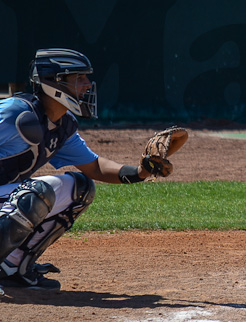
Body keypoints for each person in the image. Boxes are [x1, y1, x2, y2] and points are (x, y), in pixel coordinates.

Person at [0, 48, 170, 291]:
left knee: (80, 188)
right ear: (53, 83)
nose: (88, 85)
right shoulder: (16, 113)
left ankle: (12, 268)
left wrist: (142, 171)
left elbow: (96, 168)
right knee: (36, 194)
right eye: (78, 78)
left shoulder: (62, 125)